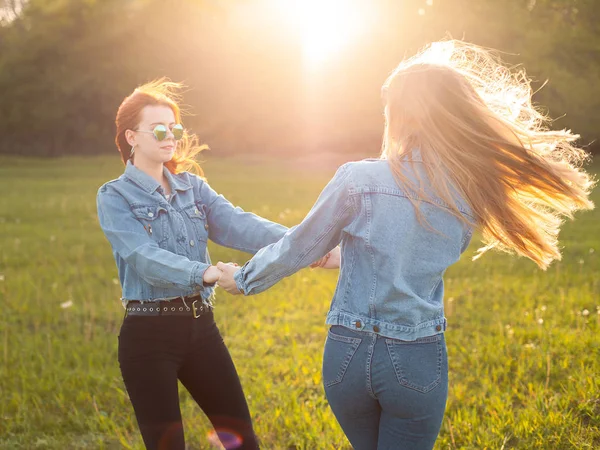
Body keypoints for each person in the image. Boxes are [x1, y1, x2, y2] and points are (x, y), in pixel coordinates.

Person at [216, 40, 595, 450]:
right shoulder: (472, 187)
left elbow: (298, 245)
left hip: (346, 354)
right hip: (414, 356)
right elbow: (408, 247)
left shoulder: (357, 178)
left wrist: (244, 279)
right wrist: (343, 257)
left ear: (400, 115)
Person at [96, 79, 290, 450]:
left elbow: (239, 224)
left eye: (175, 128)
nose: (170, 136)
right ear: (131, 137)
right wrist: (206, 272)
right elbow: (141, 256)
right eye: (158, 129)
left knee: (243, 441)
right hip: (148, 337)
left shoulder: (192, 187)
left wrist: (307, 242)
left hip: (202, 330)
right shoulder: (113, 196)